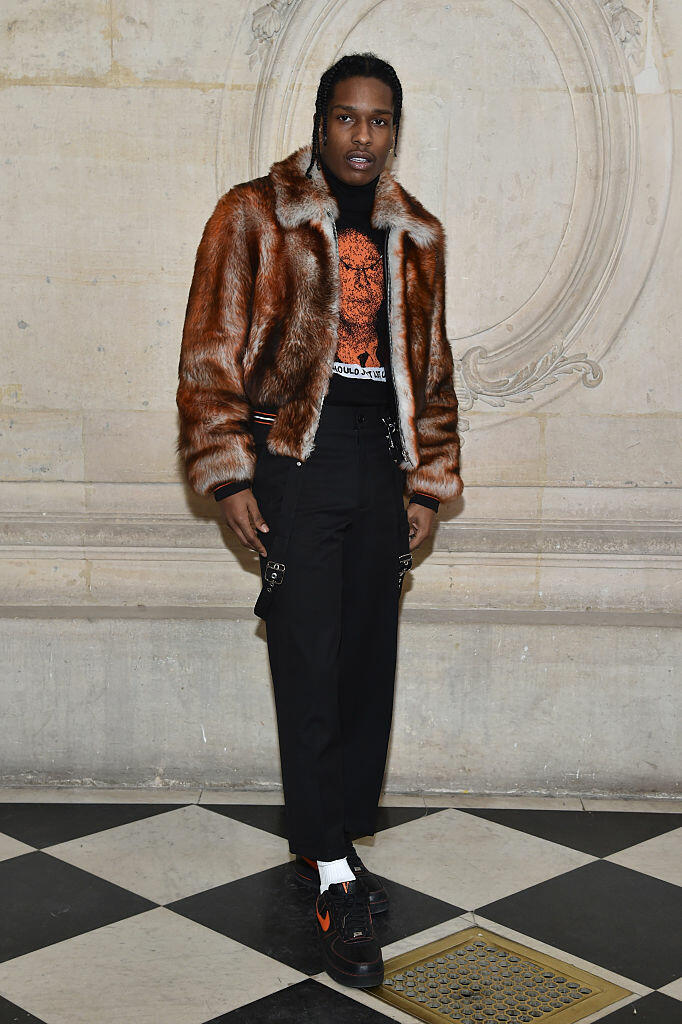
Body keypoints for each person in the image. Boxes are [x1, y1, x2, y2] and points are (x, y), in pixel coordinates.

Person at [176, 52, 462, 989]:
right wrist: (230, 477)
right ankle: (334, 870)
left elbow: (435, 368)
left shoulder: (415, 233)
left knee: (364, 665)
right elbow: (209, 353)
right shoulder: (252, 212)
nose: (363, 136)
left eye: (380, 121)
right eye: (347, 117)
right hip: (293, 465)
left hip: (381, 465)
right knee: (305, 656)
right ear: (320, 120)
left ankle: (327, 840)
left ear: (395, 130)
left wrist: (427, 486)